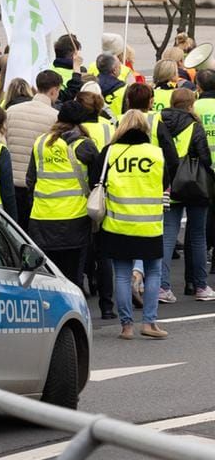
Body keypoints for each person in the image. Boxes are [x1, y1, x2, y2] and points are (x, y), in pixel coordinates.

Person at [101, 110, 173, 340]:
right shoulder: (156, 154)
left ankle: (126, 326)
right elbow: (165, 182)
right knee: (153, 272)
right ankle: (149, 323)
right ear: (144, 127)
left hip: (118, 223)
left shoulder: (110, 152)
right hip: (149, 224)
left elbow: (96, 181)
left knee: (121, 275)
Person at [24, 103, 100, 292]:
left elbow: (30, 179)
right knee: (73, 278)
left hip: (42, 218)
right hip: (74, 218)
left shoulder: (40, 142)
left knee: (48, 277)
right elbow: (97, 181)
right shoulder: (85, 146)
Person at [155, 88, 214, 303]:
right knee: (197, 235)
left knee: (168, 233)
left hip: (169, 181)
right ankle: (199, 285)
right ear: (191, 105)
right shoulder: (194, 125)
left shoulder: (159, 121)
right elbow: (205, 158)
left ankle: (162, 286)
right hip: (194, 185)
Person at [6, 70, 62, 191]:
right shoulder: (55, 117)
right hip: (36, 181)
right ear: (54, 90)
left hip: (11, 179)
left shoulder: (11, 111)